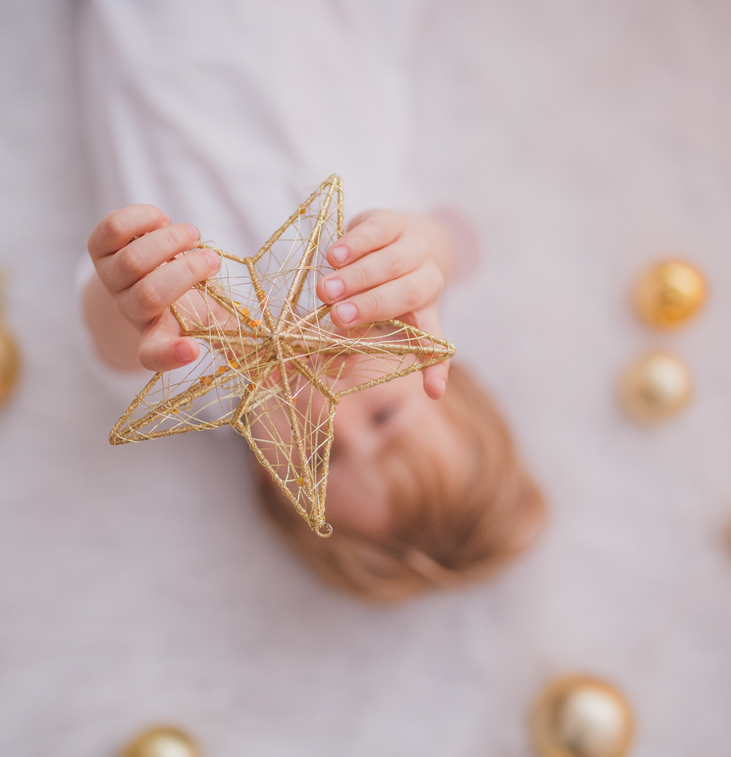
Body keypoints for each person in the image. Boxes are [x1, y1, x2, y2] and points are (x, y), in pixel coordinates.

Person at [77, 0, 543, 601]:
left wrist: (132, 300)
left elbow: (107, 341)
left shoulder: (199, 376)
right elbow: (463, 240)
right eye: (383, 415)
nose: (331, 413)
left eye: (323, 459)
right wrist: (421, 249)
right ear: (435, 367)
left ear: (270, 480)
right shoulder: (378, 279)